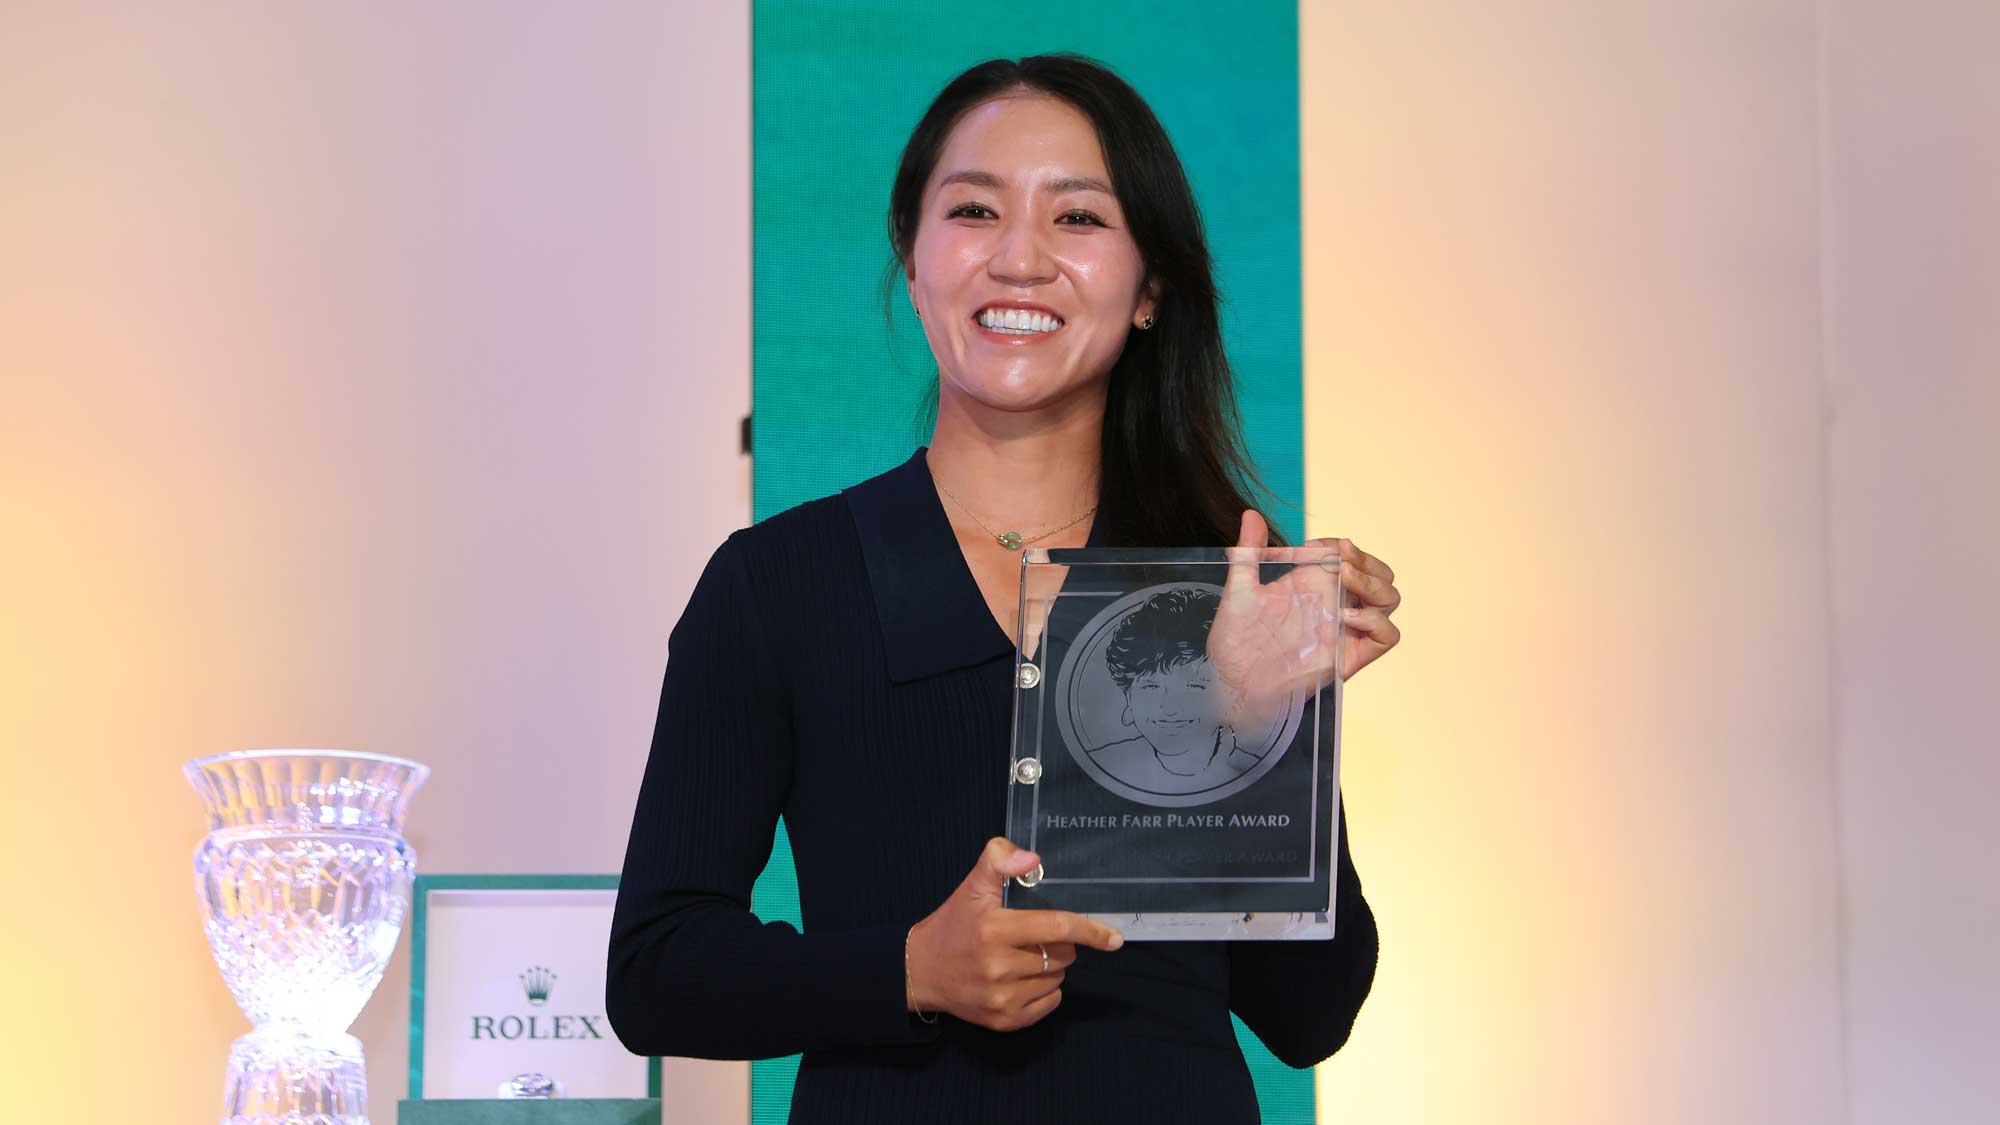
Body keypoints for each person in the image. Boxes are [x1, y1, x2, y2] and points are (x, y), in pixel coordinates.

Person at [607, 52, 1404, 1123]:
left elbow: (1309, 1017)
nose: (1018, 259)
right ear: (913, 259)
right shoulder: (778, 582)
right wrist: (908, 972)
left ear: (1150, 288)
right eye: (974, 210)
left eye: (1077, 219)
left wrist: (1257, 726)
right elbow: (655, 973)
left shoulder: (1219, 591)